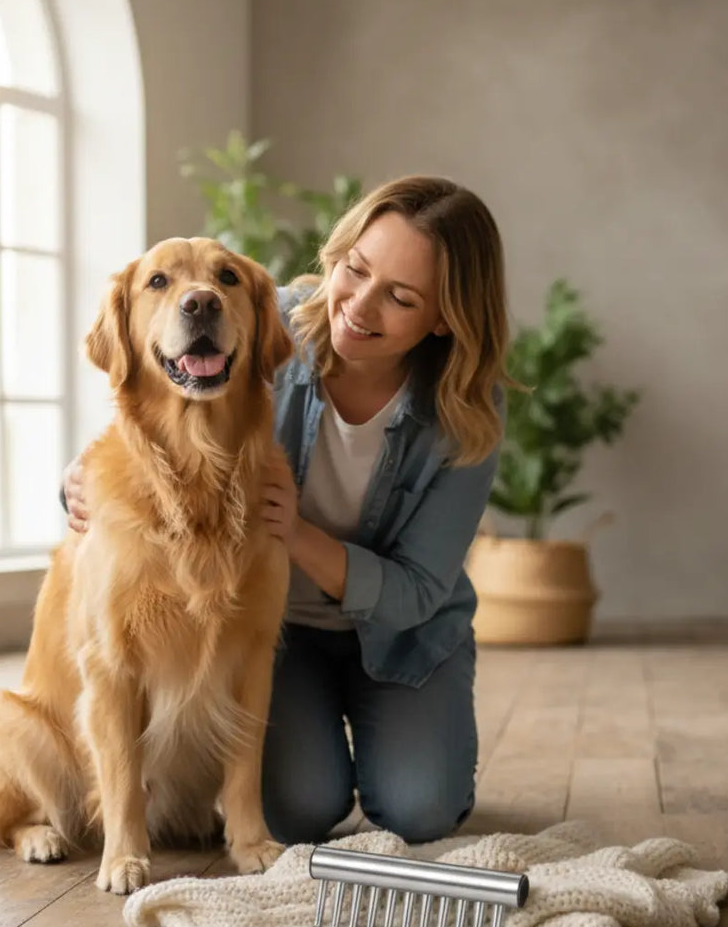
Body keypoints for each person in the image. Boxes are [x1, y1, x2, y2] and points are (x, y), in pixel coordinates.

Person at [61, 175, 510, 845]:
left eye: (400, 297)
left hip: (402, 639)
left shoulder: (467, 409)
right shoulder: (267, 319)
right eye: (355, 269)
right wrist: (79, 481)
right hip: (281, 635)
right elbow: (153, 401)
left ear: (444, 317)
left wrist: (296, 535)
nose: (358, 306)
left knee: (421, 810)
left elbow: (419, 590)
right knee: (296, 812)